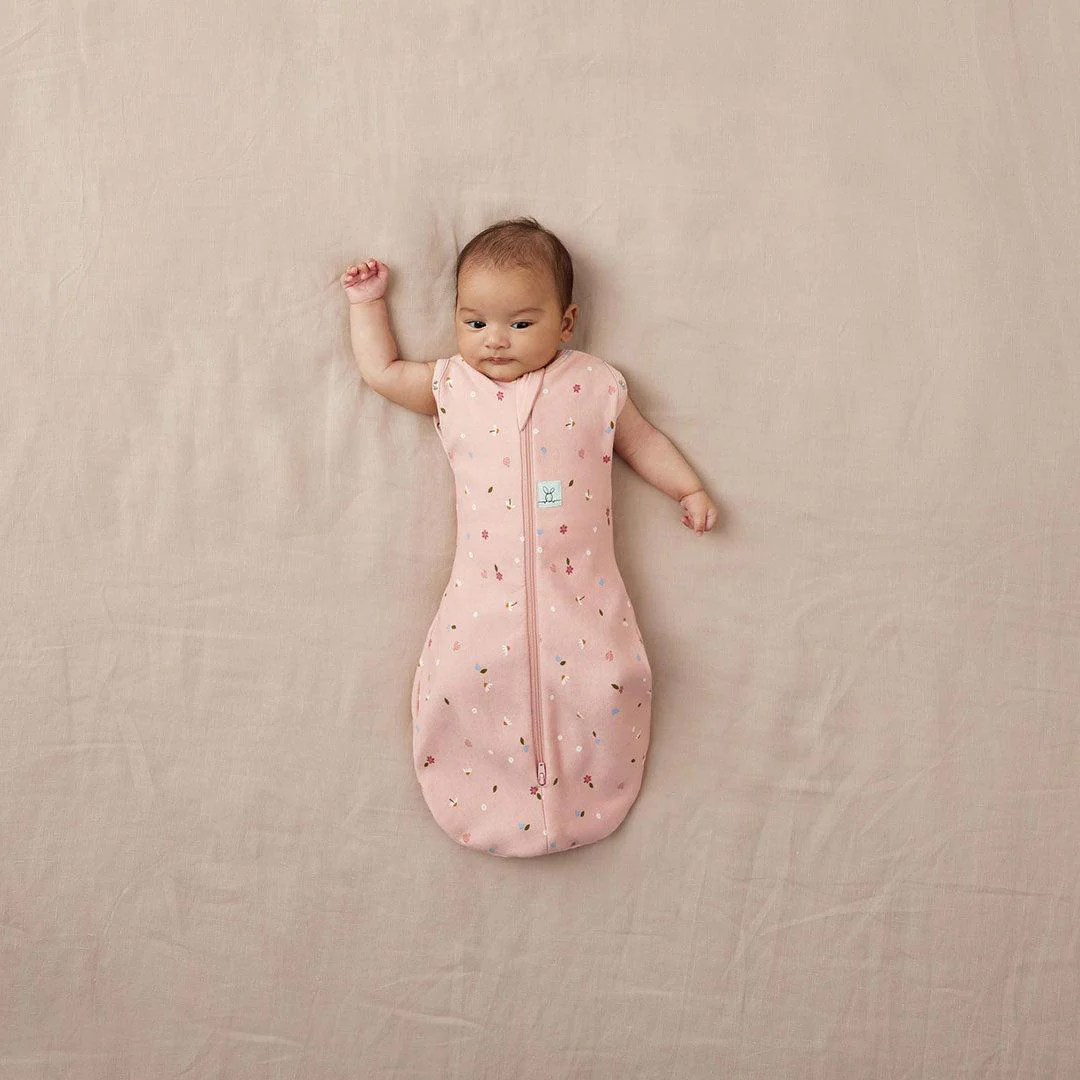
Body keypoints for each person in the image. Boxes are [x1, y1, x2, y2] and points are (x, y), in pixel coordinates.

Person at [339, 216, 718, 535]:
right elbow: (382, 372)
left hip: (585, 584)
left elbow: (641, 443)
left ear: (566, 323)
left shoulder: (593, 382)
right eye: (476, 323)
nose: (495, 340)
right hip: (483, 585)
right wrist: (368, 302)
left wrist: (688, 490)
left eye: (520, 324)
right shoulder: (452, 383)